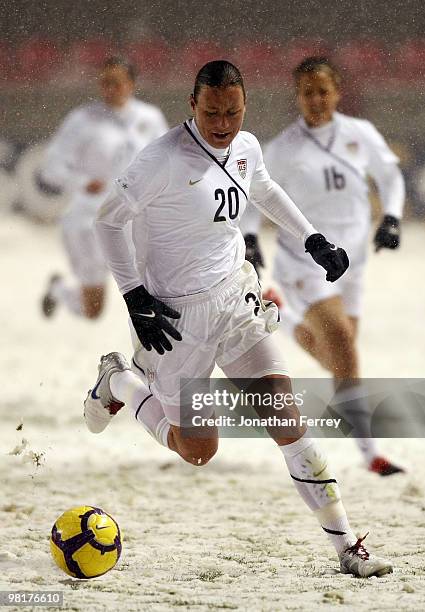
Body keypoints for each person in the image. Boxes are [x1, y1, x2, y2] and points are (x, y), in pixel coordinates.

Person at [84, 60, 393, 577]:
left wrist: (312, 238)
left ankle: (346, 549)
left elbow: (264, 188)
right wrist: (134, 294)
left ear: (244, 106)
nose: (223, 123)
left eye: (233, 111)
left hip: (235, 303)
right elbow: (108, 221)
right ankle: (120, 380)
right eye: (212, 112)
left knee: (288, 424)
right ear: (192, 105)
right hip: (175, 320)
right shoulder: (159, 160)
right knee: (198, 450)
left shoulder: (246, 146)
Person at [249, 57, 405, 476]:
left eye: (323, 91)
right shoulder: (283, 149)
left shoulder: (360, 134)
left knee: (340, 355)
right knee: (340, 341)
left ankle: (283, 318)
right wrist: (250, 239)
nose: (316, 99)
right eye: (307, 92)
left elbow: (390, 177)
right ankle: (371, 452)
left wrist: (391, 216)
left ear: (337, 92)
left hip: (354, 259)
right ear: (296, 97)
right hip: (305, 259)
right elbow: (254, 195)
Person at [40, 56, 168, 319]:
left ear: (131, 84)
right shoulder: (83, 120)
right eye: (104, 83)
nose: (109, 89)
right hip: (90, 221)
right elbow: (51, 165)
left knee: (154, 294)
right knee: (93, 309)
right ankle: (60, 289)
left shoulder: (150, 118)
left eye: (116, 83)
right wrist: (82, 182)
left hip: (135, 221)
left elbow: (168, 162)